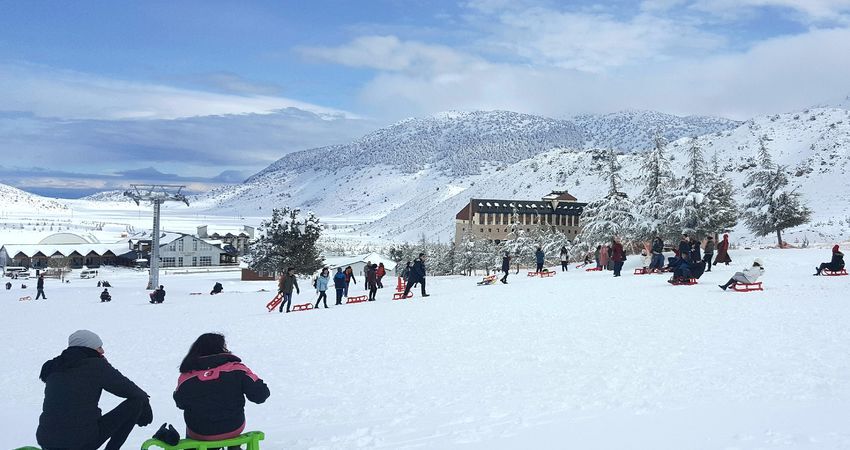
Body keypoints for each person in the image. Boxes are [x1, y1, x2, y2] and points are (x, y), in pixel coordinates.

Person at [36, 330, 153, 450]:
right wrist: (145, 404)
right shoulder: (94, 365)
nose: (103, 351)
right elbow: (130, 390)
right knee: (136, 402)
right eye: (99, 347)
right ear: (88, 348)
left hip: (46, 440)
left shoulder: (54, 367)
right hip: (80, 442)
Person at [174, 333, 270, 442]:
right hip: (233, 427)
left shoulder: (186, 376)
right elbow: (260, 396)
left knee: (196, 424)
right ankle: (234, 447)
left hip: (199, 431)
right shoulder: (237, 369)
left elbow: (180, 403)